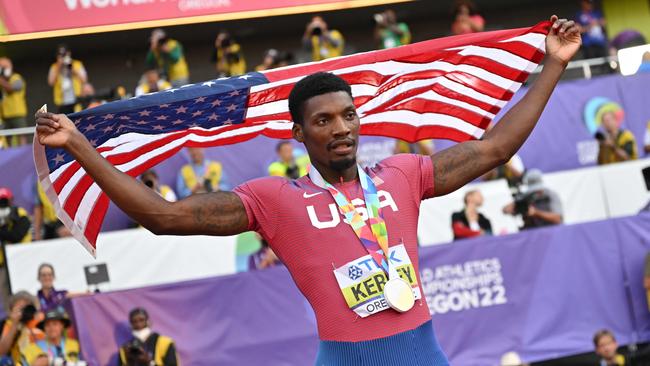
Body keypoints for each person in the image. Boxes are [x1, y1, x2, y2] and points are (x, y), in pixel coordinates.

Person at [34, 17, 580, 365]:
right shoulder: (275, 200)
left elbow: (493, 150)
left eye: (347, 116)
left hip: (425, 355)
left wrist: (553, 64)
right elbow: (164, 216)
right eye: (323, 121)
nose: (340, 128)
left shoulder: (404, 175)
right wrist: (82, 146)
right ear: (298, 132)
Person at [0, 291, 44, 365]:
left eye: (26, 307)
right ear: (11, 310)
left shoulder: (41, 321)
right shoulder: (8, 324)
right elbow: (2, 351)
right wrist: (15, 324)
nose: (24, 312)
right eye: (20, 308)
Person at [47, 45, 87, 114]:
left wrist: (71, 66)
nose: (62, 57)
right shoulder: (54, 66)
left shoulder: (77, 64)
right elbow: (51, 82)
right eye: (60, 55)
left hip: (76, 99)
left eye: (64, 54)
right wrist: (59, 66)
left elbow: (84, 80)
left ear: (69, 53)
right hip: (62, 101)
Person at [0, 57, 28, 146]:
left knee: (22, 135)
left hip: (18, 114)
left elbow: (11, 89)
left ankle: (24, 155)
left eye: (4, 67)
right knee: (7, 137)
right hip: (5, 115)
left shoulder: (17, 78)